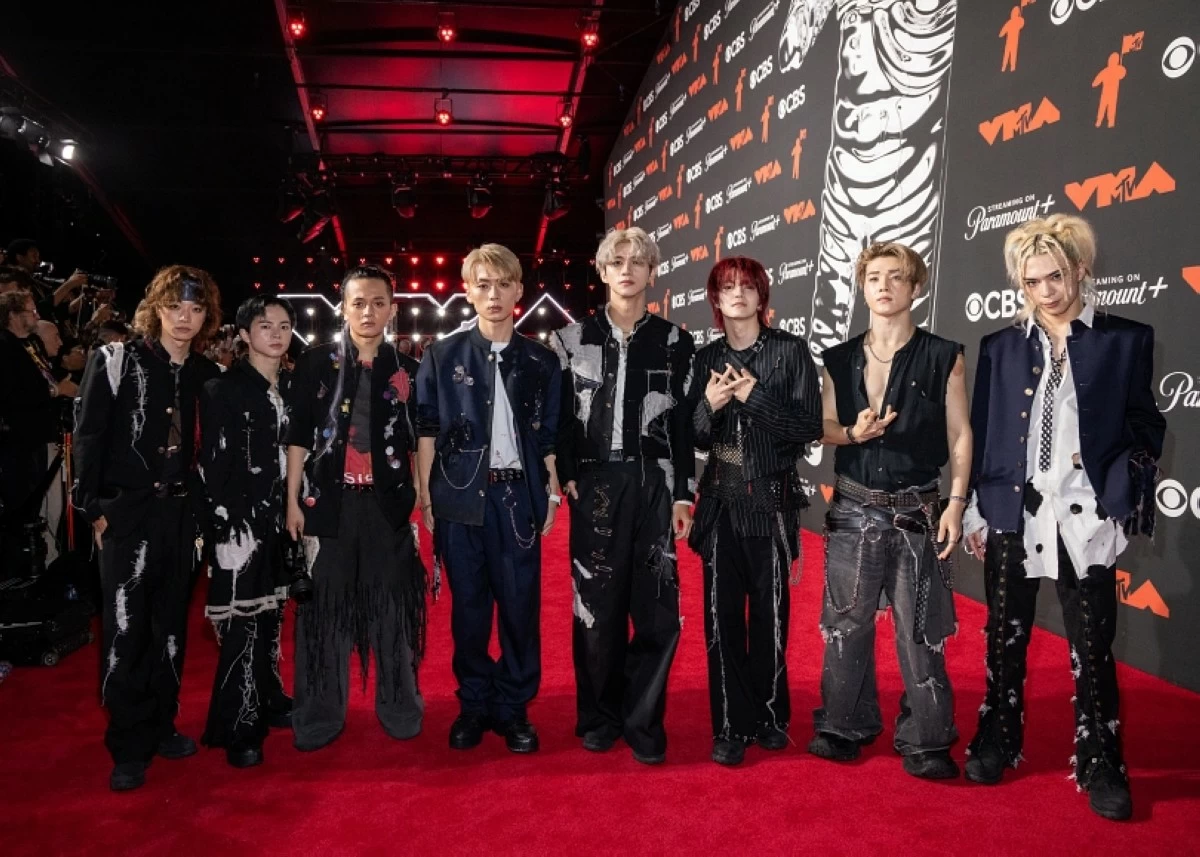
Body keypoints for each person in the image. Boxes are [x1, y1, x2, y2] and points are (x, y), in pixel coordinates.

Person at [961, 214, 1165, 821]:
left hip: (1086, 513)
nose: (1046, 291)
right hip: (1012, 511)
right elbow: (986, 432)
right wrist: (976, 506)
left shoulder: (1126, 339)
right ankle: (999, 736)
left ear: (1080, 269)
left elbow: (1146, 425)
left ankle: (1101, 758)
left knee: (1092, 647)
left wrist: (1115, 477)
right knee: (1004, 637)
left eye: (1055, 276)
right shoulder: (1000, 347)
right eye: (1031, 282)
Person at [809, 241, 971, 781]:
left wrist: (958, 500)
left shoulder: (945, 353)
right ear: (862, 286)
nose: (884, 285)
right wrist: (850, 433)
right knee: (845, 624)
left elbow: (960, 432)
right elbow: (824, 425)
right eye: (874, 276)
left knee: (920, 630)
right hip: (853, 507)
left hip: (918, 511)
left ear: (915, 286)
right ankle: (842, 723)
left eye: (896, 277)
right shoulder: (836, 357)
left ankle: (927, 738)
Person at [73, 266, 223, 791]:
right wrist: (92, 507)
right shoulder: (116, 360)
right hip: (127, 515)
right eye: (175, 306)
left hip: (181, 518)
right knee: (124, 627)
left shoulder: (207, 372)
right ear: (155, 307)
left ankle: (162, 725)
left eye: (196, 308)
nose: (185, 317)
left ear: (207, 316)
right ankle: (128, 743)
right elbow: (88, 436)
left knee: (171, 628)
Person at [551, 226, 696, 765]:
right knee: (595, 608)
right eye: (618, 260)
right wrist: (567, 471)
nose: (628, 269)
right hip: (596, 483)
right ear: (603, 269)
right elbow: (560, 419)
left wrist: (683, 494)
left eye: (638, 261)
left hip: (655, 482)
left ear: (652, 273)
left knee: (658, 610)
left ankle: (642, 720)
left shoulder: (677, 342)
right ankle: (599, 717)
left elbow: (682, 427)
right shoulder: (570, 340)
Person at [415, 244, 561, 753]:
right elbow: (427, 431)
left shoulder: (541, 360)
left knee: (520, 607)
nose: (493, 294)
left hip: (517, 498)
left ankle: (514, 705)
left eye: (503, 284)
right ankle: (474, 703)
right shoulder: (442, 354)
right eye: (482, 284)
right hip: (458, 499)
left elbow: (548, 437)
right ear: (467, 290)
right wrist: (427, 500)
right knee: (470, 610)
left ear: (519, 290)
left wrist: (550, 495)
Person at [284, 266, 427, 752]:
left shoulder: (408, 369)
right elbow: (297, 438)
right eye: (358, 302)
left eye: (378, 302)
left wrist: (422, 502)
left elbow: (421, 441)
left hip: (387, 507)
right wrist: (292, 504)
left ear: (392, 308)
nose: (368, 312)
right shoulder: (316, 362)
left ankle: (400, 706)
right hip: (327, 506)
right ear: (342, 307)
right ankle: (320, 713)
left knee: (393, 610)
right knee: (324, 614)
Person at [689, 256, 823, 766]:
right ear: (717, 300)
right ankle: (728, 723)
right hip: (721, 501)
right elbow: (694, 433)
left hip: (769, 501)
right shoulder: (706, 359)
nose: (739, 293)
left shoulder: (789, 351)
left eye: (748, 285)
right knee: (721, 618)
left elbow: (808, 426)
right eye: (728, 287)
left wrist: (753, 396)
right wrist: (710, 405)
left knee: (770, 616)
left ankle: (768, 715)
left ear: (762, 295)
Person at [199, 297, 297, 768]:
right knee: (243, 621)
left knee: (273, 614)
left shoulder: (291, 387)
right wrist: (224, 528)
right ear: (243, 334)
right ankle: (237, 723)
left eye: (283, 325)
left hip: (282, 518)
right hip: (239, 522)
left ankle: (271, 696)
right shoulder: (224, 389)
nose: (275, 334)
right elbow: (215, 467)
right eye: (264, 326)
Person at [0, 291, 60, 563]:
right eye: (30, 311)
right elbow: (12, 393)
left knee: (42, 503)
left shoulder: (33, 343)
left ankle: (40, 558)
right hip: (19, 440)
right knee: (24, 501)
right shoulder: (4, 346)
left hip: (42, 433)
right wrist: (53, 392)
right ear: (13, 315)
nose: (36, 315)